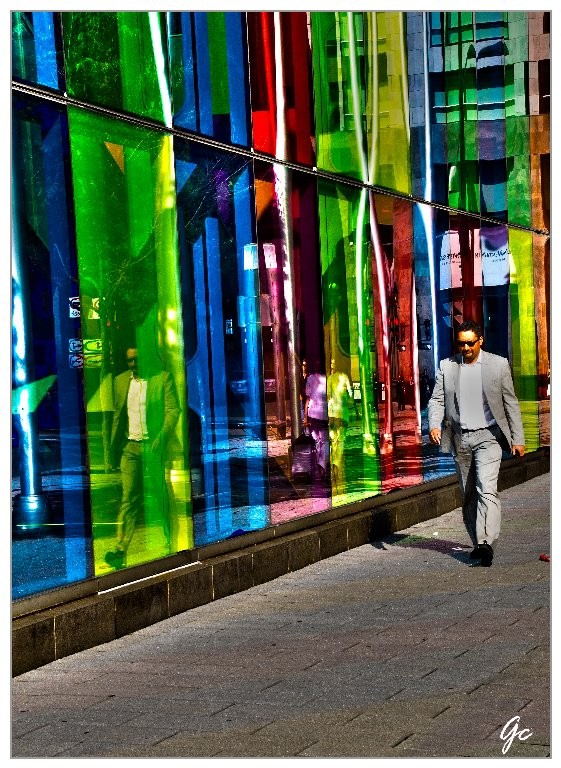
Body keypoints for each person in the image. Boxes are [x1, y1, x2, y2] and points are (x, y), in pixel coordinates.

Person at [428, 321, 525, 567]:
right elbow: (437, 400)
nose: (466, 347)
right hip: (461, 438)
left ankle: (486, 543)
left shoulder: (498, 365)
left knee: (486, 488)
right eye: (461, 343)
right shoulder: (447, 367)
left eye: (471, 342)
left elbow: (510, 403)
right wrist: (434, 425)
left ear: (480, 340)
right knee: (469, 494)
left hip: (489, 437)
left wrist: (518, 439)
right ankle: (477, 542)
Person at [105, 347, 182, 569]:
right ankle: (120, 548)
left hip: (153, 447)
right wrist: (111, 451)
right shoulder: (120, 381)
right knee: (128, 498)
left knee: (160, 496)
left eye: (137, 359)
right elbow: (117, 417)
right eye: (129, 361)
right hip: (130, 448)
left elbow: (173, 410)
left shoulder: (162, 379)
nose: (133, 364)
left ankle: (171, 542)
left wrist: (161, 438)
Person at [327, 359, 354, 487]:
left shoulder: (330, 378)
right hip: (343, 414)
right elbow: (350, 395)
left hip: (331, 413)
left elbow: (327, 396)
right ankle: (336, 463)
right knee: (341, 440)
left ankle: (332, 461)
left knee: (332, 439)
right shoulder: (344, 377)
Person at [304, 363, 329, 480]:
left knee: (316, 440)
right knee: (324, 441)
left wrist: (305, 417)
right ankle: (322, 464)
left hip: (313, 414)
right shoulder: (328, 378)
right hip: (324, 414)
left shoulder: (310, 378)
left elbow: (308, 399)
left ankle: (320, 464)